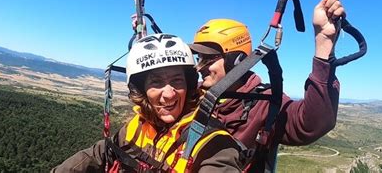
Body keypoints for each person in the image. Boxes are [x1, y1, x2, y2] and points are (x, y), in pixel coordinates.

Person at [52, 33, 245, 173]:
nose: (169, 94)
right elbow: (101, 153)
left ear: (189, 84)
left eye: (177, 80)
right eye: (156, 82)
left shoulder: (214, 144)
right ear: (141, 90)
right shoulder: (139, 125)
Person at [189, 0, 344, 151]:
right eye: (199, 58)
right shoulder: (192, 95)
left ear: (236, 60)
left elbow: (312, 124)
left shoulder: (265, 102)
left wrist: (323, 43)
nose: (200, 68)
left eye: (208, 59)